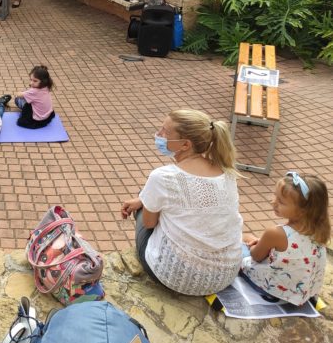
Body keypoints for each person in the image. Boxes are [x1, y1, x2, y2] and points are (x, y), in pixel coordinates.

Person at [120, 110, 243, 296]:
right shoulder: (227, 173)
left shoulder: (162, 177)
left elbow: (150, 224)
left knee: (147, 200)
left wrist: (144, 200)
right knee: (149, 197)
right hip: (225, 276)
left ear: (185, 144)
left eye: (165, 132)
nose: (158, 135)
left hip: (175, 278)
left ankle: (145, 200)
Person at [241, 172, 329, 305]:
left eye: (281, 201)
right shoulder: (320, 231)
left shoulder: (275, 233)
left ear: (302, 211)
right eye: (275, 196)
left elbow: (256, 256)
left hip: (274, 292)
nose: (273, 202)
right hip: (302, 295)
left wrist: (253, 244)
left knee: (244, 240)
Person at [15, 65, 55, 129]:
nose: (31, 83)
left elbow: (19, 95)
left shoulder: (34, 91)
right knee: (28, 98)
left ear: (43, 81)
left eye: (35, 81)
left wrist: (18, 93)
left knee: (17, 99)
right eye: (31, 80)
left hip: (36, 120)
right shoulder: (46, 86)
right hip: (47, 116)